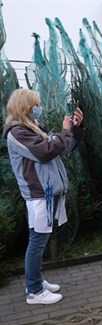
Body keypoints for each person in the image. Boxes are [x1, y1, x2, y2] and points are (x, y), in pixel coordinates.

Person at [2, 88, 84, 304]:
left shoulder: (34, 127)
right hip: (39, 195)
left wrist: (75, 129)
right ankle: (34, 291)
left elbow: (62, 148)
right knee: (37, 241)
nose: (39, 108)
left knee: (39, 238)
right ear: (25, 106)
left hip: (46, 194)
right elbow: (45, 151)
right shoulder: (17, 132)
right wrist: (65, 132)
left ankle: (36, 280)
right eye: (35, 104)